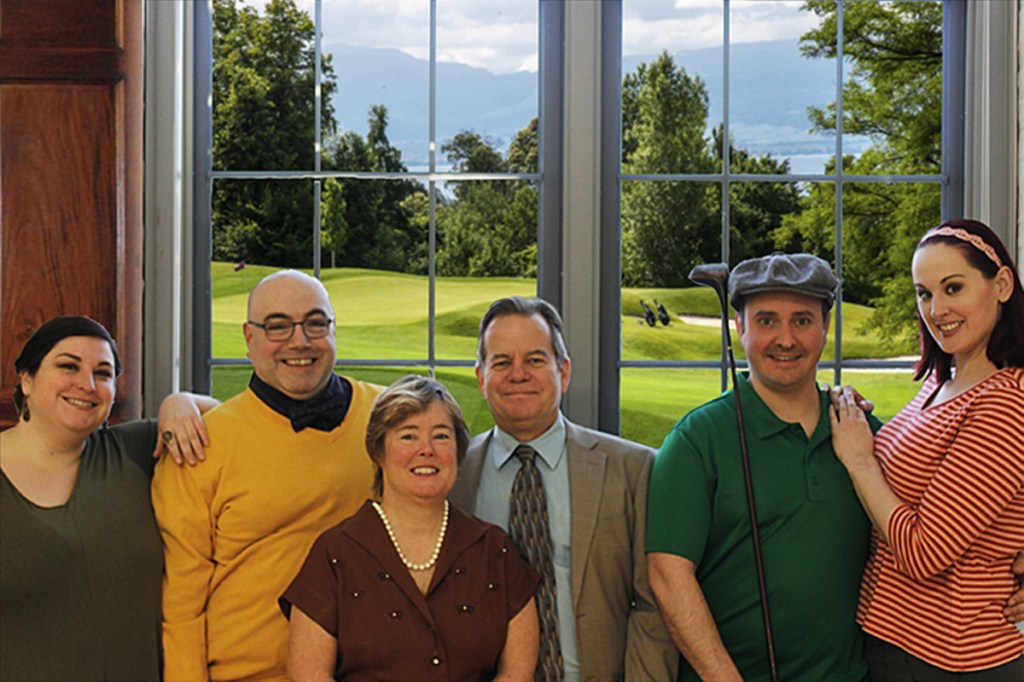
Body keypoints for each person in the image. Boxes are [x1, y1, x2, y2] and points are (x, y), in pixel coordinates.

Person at [647, 253, 876, 681]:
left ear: (825, 328)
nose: (785, 339)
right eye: (767, 321)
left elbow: (934, 528)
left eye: (803, 321)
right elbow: (668, 575)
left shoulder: (864, 431)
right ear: (740, 328)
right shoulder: (698, 440)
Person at [153, 269, 384, 681]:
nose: (300, 340)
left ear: (333, 329)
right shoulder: (199, 446)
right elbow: (182, 605)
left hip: (372, 669)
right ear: (249, 338)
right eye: (278, 326)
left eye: (315, 322)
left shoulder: (388, 420)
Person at [830, 219, 1024, 678]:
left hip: (951, 661)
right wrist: (855, 417)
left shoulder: (1004, 403)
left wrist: (860, 461)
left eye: (953, 288)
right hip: (897, 644)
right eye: (924, 293)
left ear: (1001, 285)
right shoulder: (944, 382)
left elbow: (923, 552)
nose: (936, 309)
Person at [449, 296, 678, 681]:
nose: (518, 374)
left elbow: (654, 606)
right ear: (481, 378)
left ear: (564, 372)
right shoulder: (452, 477)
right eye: (501, 362)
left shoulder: (633, 469)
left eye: (535, 360)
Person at [0, 315, 217, 681]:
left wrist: (180, 402)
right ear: (27, 379)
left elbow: (242, 423)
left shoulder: (136, 448)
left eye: (103, 373)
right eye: (68, 366)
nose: (87, 384)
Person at [282, 375, 539, 680]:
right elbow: (308, 673)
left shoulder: (495, 551)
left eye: (441, 436)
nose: (426, 449)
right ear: (379, 453)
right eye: (408, 436)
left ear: (458, 451)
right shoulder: (335, 554)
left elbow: (518, 672)